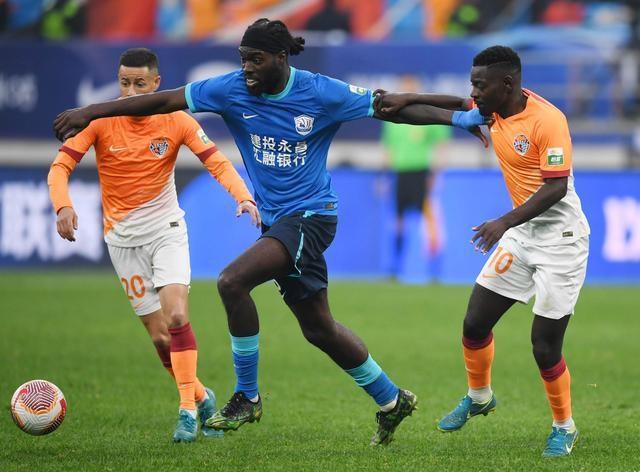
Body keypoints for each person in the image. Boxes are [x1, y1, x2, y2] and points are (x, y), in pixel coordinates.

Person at [52, 19, 488, 446]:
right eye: (243, 58)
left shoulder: (320, 91)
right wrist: (91, 112)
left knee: (232, 281)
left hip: (313, 216)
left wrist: (459, 117)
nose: (247, 68)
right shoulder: (229, 88)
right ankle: (392, 399)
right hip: (278, 222)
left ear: (281, 58)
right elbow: (162, 101)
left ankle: (247, 396)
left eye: (256, 59)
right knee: (318, 328)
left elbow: (393, 107)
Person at [376, 45, 590, 457]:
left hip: (561, 241)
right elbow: (453, 107)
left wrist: (503, 221)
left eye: (479, 84)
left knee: (544, 346)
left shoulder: (548, 120)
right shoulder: (492, 108)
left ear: (507, 83)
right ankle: (479, 396)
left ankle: (564, 427)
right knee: (475, 324)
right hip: (522, 235)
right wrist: (406, 98)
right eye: (472, 83)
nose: (473, 92)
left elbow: (556, 187)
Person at [48, 47, 260, 443]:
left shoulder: (176, 119)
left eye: (139, 84)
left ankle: (186, 411)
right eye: (124, 83)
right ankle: (201, 396)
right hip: (122, 241)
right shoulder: (101, 121)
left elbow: (216, 161)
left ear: (156, 83)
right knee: (161, 338)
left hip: (166, 230)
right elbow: (60, 167)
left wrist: (243, 196)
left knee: (177, 317)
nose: (130, 92)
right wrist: (63, 206)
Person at [381, 75, 451, 276]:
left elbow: (441, 145)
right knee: (398, 221)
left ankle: (434, 269)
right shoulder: (392, 117)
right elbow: (388, 148)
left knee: (429, 221)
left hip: (422, 172)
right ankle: (395, 267)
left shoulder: (427, 115)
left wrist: (436, 173)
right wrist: (384, 177)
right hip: (400, 173)